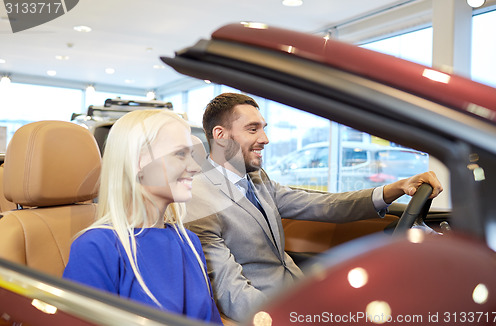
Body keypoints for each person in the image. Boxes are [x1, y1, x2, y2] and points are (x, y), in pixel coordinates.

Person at [184, 93, 443, 322]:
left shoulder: (257, 178)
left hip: (297, 291)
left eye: (264, 128)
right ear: (220, 135)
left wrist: (395, 188)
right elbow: (232, 292)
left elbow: (322, 206)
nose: (265, 138)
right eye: (253, 129)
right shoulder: (199, 200)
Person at [64, 109, 222, 325]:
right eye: (180, 154)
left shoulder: (189, 241)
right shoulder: (96, 247)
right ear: (139, 162)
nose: (195, 167)